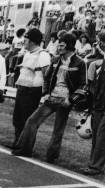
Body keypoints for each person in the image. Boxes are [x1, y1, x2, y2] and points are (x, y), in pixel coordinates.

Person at [12, 34, 86, 162]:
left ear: (69, 46)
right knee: (32, 121)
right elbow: (47, 78)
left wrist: (71, 100)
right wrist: (46, 93)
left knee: (58, 130)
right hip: (51, 98)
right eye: (59, 45)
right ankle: (24, 150)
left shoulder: (80, 62)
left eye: (62, 45)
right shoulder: (55, 59)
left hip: (65, 101)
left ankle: (51, 158)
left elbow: (83, 85)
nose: (59, 47)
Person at [12, 29, 51, 147]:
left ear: (33, 41)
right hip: (22, 89)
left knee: (27, 119)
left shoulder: (43, 55)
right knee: (17, 118)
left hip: (32, 91)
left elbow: (47, 75)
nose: (24, 42)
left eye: (26, 40)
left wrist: (45, 93)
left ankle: (25, 145)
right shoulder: (27, 53)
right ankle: (17, 142)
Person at [81, 32, 105, 175]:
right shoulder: (98, 64)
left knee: (102, 137)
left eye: (99, 42)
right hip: (98, 103)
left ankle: (96, 166)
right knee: (96, 136)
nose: (98, 45)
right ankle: (93, 164)